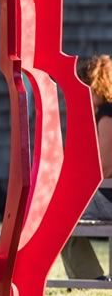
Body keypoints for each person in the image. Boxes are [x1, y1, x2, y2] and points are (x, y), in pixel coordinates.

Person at [61, 54, 112, 281]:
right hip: (106, 192)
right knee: (55, 211)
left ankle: (90, 278)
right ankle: (90, 277)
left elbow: (106, 167)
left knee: (55, 213)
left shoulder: (108, 116)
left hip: (108, 195)